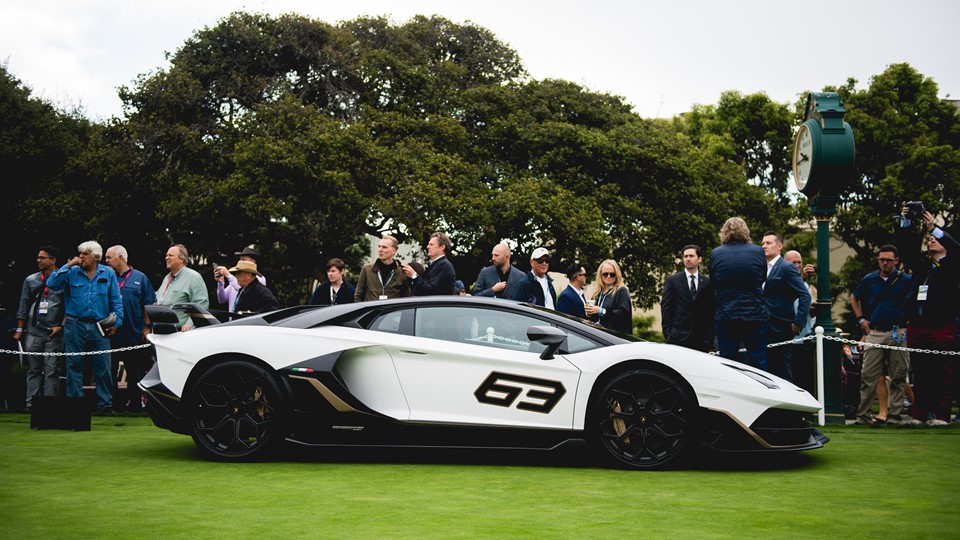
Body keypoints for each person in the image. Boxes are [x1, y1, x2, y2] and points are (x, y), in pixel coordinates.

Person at [896, 206, 959, 426]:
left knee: (942, 371)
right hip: (918, 325)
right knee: (920, 372)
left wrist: (935, 227)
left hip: (941, 325)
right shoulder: (924, 264)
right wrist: (905, 222)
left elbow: (956, 247)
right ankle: (919, 415)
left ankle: (941, 415)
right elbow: (904, 250)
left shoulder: (952, 264)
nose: (931, 239)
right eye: (930, 237)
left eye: (935, 238)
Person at [45, 241, 124, 413]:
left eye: (85, 254)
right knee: (74, 365)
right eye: (80, 253)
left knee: (103, 366)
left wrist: (116, 323)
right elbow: (51, 283)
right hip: (75, 324)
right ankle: (75, 405)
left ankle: (105, 405)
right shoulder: (71, 272)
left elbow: (116, 301)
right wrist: (68, 264)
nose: (81, 257)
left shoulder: (108, 273)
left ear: (96, 257)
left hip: (100, 325)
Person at [849, 244, 913, 425]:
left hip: (897, 330)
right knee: (868, 375)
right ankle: (863, 416)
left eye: (888, 260)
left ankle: (894, 416)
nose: (884, 263)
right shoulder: (870, 279)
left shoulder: (906, 280)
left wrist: (910, 319)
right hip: (875, 330)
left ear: (896, 261)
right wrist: (861, 319)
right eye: (881, 260)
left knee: (898, 375)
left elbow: (915, 299)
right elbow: (854, 297)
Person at [709, 217, 769, 369]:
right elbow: (763, 277)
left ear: (724, 232)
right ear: (745, 231)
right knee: (759, 360)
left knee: (727, 363)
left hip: (726, 314)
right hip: (755, 313)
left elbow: (714, 282)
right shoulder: (757, 251)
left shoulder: (717, 253)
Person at [104, 245, 156, 412]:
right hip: (110, 334)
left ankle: (136, 405)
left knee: (134, 371)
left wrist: (147, 327)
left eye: (109, 257)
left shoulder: (139, 278)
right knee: (109, 371)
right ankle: (113, 405)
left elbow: (148, 304)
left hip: (133, 333)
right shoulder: (106, 277)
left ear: (121, 257)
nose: (106, 261)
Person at [13, 245, 65, 409]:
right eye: (38, 257)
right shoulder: (31, 280)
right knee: (33, 369)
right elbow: (24, 304)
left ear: (53, 260)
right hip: (33, 331)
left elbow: (69, 306)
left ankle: (49, 405)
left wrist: (61, 327)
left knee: (52, 370)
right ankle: (31, 404)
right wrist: (19, 329)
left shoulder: (63, 280)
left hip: (53, 332)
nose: (39, 261)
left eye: (42, 258)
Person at [761, 232, 812, 382]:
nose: (764, 246)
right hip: (761, 326)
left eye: (769, 243)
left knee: (782, 370)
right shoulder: (761, 267)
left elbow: (805, 295)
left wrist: (798, 323)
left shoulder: (786, 268)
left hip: (781, 327)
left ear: (779, 246)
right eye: (763, 243)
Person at [661, 245, 714, 352]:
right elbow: (666, 307)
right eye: (685, 256)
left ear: (699, 259)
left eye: (691, 256)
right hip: (678, 337)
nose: (688, 259)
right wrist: (668, 333)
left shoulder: (707, 282)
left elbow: (711, 309)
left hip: (701, 339)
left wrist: (710, 336)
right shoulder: (673, 280)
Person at [156, 244, 209, 330]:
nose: (166, 258)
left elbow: (202, 304)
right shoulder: (166, 278)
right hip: (161, 332)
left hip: (181, 334)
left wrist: (189, 324)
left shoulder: (193, 277)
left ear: (182, 259)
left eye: (170, 255)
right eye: (166, 255)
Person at [355, 235, 411, 301]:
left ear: (393, 251)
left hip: (392, 310)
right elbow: (358, 295)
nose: (380, 250)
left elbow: (405, 297)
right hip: (372, 310)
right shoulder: (367, 270)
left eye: (384, 247)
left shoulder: (401, 272)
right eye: (379, 246)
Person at [585, 259, 633, 334]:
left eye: (612, 274)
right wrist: (589, 313)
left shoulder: (621, 290)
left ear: (616, 275)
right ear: (600, 275)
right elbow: (596, 319)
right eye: (605, 274)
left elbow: (623, 315)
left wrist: (602, 311)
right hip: (599, 335)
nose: (608, 276)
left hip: (615, 337)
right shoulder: (597, 293)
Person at [215, 246, 265, 310]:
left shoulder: (260, 279)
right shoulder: (236, 280)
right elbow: (222, 300)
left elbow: (246, 290)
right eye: (240, 259)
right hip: (233, 320)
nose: (240, 262)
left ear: (253, 262)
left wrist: (228, 275)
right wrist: (220, 283)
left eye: (243, 259)